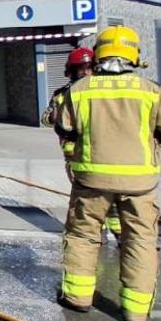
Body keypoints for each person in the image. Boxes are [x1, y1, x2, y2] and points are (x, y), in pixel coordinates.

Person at [55, 25, 161, 321]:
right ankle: (136, 310)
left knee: (82, 236)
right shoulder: (150, 91)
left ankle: (77, 297)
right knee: (140, 240)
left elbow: (64, 128)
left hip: (91, 181)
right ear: (134, 55)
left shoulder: (80, 90)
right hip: (140, 184)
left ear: (99, 54)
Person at [42, 48, 122, 242]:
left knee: (109, 196)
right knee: (87, 198)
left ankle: (119, 233)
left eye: (89, 68)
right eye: (81, 69)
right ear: (72, 70)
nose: (86, 73)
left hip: (102, 153)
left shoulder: (103, 91)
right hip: (75, 157)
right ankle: (95, 234)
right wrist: (56, 115)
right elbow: (46, 118)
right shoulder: (62, 94)